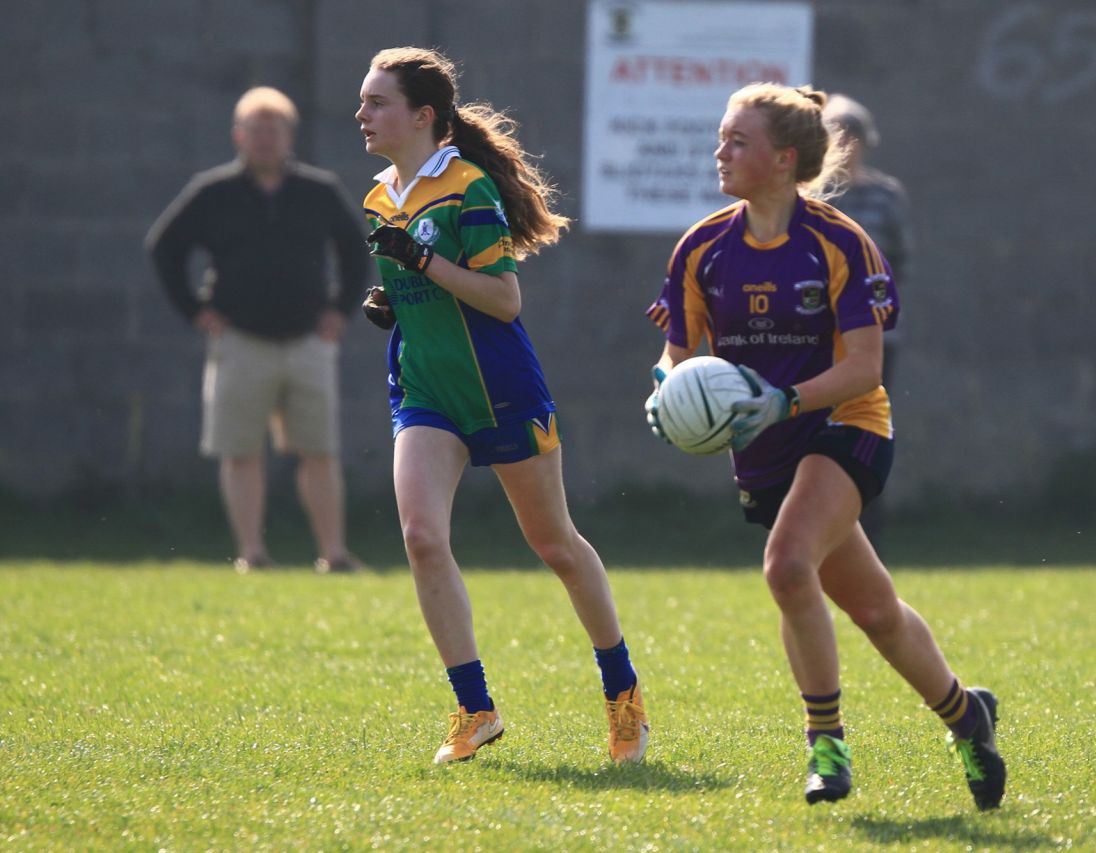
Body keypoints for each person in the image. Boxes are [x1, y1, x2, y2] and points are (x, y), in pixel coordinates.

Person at [644, 83, 1004, 809]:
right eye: (721, 138)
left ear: (783, 160)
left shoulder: (840, 241)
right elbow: (677, 357)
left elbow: (866, 367)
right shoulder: (702, 249)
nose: (720, 152)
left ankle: (826, 743)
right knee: (875, 612)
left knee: (785, 565)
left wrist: (783, 398)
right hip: (765, 448)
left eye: (736, 142)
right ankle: (968, 714)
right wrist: (665, 395)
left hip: (848, 424)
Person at [353, 46, 649, 765]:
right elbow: (427, 288)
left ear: (422, 116)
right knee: (422, 536)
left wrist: (421, 264)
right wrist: (395, 300)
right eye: (363, 102)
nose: (362, 114)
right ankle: (473, 707)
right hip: (425, 388)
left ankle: (623, 695)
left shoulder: (468, 189)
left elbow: (503, 298)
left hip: (501, 387)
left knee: (555, 546)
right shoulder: (377, 196)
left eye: (377, 102)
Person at [146, 86, 369, 575]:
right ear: (238, 136)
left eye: (275, 131)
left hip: (309, 339)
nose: (265, 141)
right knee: (241, 450)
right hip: (240, 340)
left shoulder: (320, 190)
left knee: (320, 450)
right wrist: (195, 310)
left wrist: (341, 310)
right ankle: (252, 553)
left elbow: (357, 251)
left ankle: (332, 554)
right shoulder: (213, 192)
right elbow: (164, 247)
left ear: (290, 135)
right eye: (256, 132)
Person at [822, 94, 914, 548]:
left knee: (867, 431)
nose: (845, 144)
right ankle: (824, 528)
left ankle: (867, 532)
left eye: (851, 134)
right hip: (818, 341)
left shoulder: (886, 194)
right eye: (835, 134)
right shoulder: (812, 197)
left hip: (874, 338)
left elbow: (899, 260)